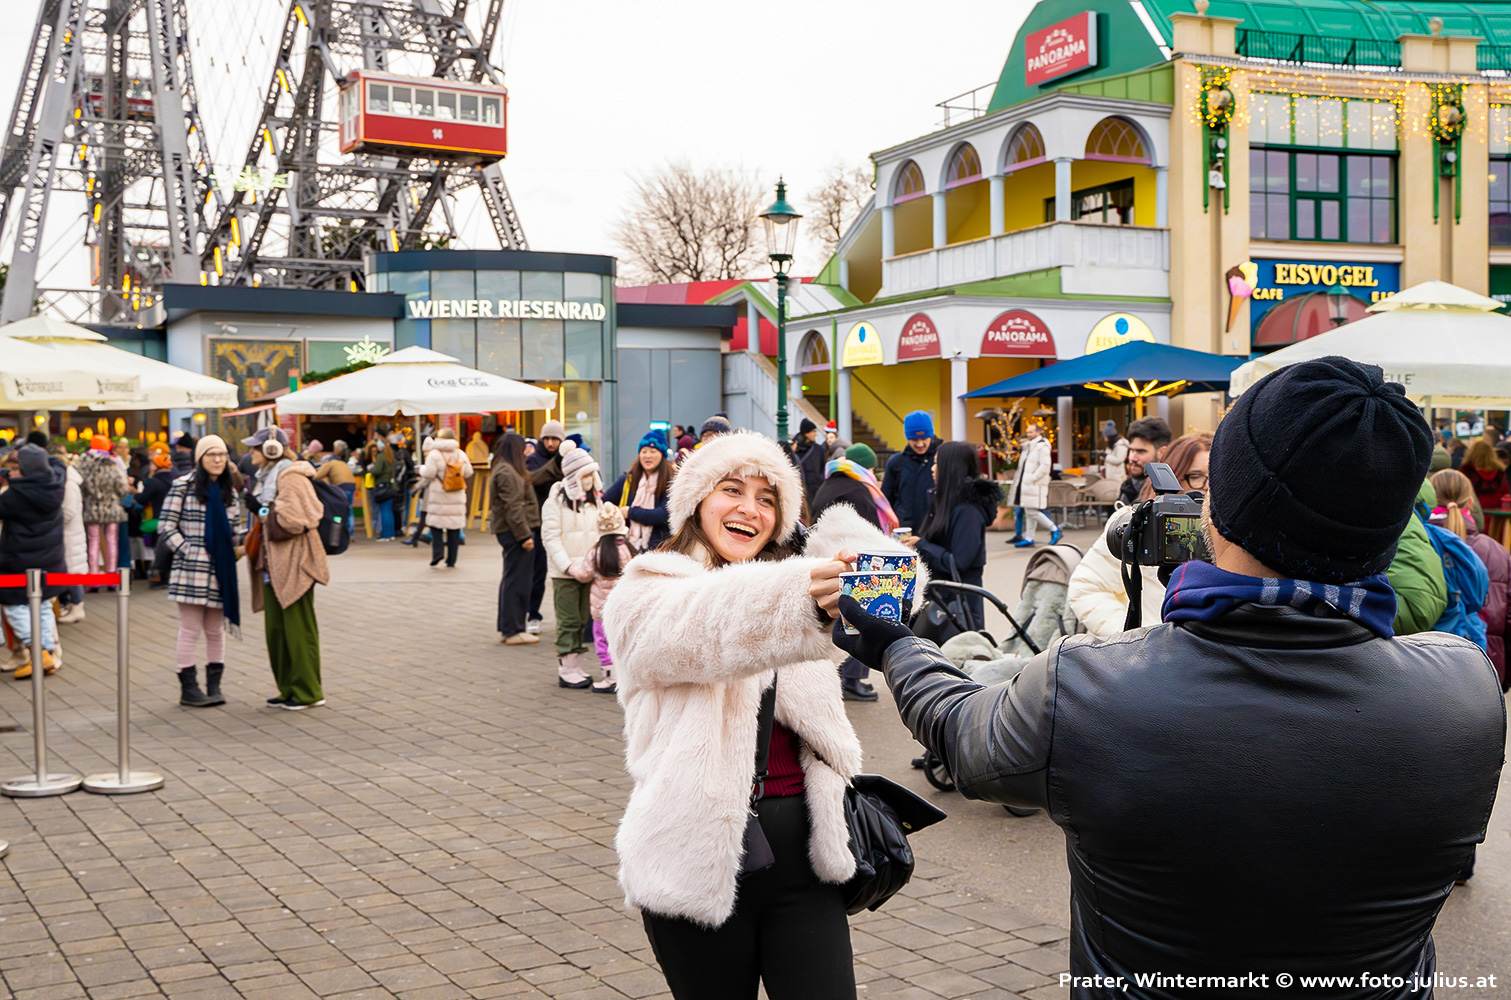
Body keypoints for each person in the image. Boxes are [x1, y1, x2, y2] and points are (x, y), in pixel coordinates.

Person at [828, 357, 1504, 998]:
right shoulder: (1465, 693)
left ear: (1217, 510)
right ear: (1387, 535)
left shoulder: (1089, 690)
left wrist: (900, 648)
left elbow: (960, 731)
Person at [604, 431, 897, 1000]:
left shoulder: (804, 583)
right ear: (694, 502)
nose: (749, 508)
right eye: (732, 489)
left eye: (768, 498)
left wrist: (851, 545)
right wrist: (806, 594)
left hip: (809, 857)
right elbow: (713, 624)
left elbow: (895, 602)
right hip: (693, 858)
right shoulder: (647, 590)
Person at [1067, 433, 1211, 640]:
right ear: (1174, 475)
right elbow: (1086, 587)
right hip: (1151, 657)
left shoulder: (1224, 530)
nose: (1207, 487)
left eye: (1214, 476)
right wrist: (1135, 638)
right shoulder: (1135, 525)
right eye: (1196, 476)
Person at [157, 435, 243, 708]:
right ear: (200, 458)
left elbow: (236, 530)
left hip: (221, 570)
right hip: (191, 569)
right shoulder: (182, 486)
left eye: (222, 454)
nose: (218, 460)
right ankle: (189, 688)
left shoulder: (231, 491)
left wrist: (239, 547)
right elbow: (166, 526)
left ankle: (214, 686)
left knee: (216, 630)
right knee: (191, 628)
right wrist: (188, 551)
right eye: (211, 455)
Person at [809, 442, 897, 701]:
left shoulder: (829, 484)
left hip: (825, 560)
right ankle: (852, 680)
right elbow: (868, 534)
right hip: (850, 564)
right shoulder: (858, 490)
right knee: (857, 618)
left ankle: (846, 679)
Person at [248, 434, 329, 710]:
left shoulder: (290, 477)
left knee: (297, 628)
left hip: (295, 562)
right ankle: (289, 688)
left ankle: (308, 691)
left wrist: (261, 510)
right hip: (273, 563)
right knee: (277, 629)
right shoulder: (269, 477)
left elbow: (295, 520)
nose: (250, 453)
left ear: (272, 450)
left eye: (255, 449)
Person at [906, 440, 1004, 629]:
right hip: (943, 600)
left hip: (958, 605)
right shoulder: (946, 501)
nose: (933, 469)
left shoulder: (969, 511)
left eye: (937, 463)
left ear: (950, 468)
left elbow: (959, 562)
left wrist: (922, 544)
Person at [1431, 468, 1511, 688]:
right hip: (1484, 666)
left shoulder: (1421, 545)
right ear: (1469, 503)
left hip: (1428, 663)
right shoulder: (1497, 551)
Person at [541, 440, 602, 688]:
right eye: (584, 474)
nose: (589, 478)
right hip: (565, 574)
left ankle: (576, 665)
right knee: (568, 621)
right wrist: (568, 567)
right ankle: (567, 668)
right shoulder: (555, 501)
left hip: (590, 572)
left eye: (591, 473)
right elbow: (550, 537)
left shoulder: (594, 502)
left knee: (583, 620)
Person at [0, 445, 66, 677]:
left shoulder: (16, 495)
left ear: (27, 471)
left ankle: (38, 652)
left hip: (19, 560)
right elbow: (59, 465)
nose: (11, 474)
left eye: (16, 469)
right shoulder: (55, 485)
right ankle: (47, 653)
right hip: (50, 559)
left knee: (15, 607)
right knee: (43, 605)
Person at [567, 503, 633, 695]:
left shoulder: (596, 552)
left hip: (600, 611)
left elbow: (584, 574)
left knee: (603, 643)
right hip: (622, 609)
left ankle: (610, 677)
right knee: (622, 643)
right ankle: (624, 678)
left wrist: (571, 567)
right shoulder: (627, 550)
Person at [489, 433, 540, 645]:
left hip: (513, 531)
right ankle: (513, 629)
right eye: (523, 449)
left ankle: (509, 627)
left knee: (512, 579)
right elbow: (513, 506)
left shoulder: (504, 468)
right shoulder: (507, 472)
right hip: (515, 533)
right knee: (517, 581)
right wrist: (524, 536)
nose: (526, 452)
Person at [525, 419, 566, 633]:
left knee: (566, 572)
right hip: (540, 525)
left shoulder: (568, 460)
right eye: (547, 438)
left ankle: (568, 618)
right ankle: (533, 614)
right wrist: (557, 462)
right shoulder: (532, 460)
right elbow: (534, 479)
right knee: (537, 572)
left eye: (555, 439)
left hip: (565, 525)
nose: (551, 443)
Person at [606, 431, 674, 552]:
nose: (648, 456)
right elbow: (604, 503)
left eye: (653, 452)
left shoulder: (671, 482)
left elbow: (663, 515)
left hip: (660, 550)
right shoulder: (627, 481)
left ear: (662, 455)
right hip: (627, 548)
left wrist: (631, 512)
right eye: (644, 452)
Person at [415, 428, 473, 568]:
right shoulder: (460, 453)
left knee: (436, 525)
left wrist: (420, 469)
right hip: (457, 494)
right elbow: (469, 472)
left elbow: (429, 473)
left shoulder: (434, 454)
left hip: (439, 494)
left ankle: (438, 552)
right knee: (454, 528)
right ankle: (452, 559)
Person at [77, 434, 130, 575]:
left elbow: (79, 486)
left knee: (93, 540)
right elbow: (123, 487)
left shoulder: (83, 463)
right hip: (111, 507)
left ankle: (93, 576)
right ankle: (111, 573)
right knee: (111, 539)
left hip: (91, 507)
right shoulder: (112, 463)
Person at [881, 410, 938, 533]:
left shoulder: (941, 458)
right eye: (914, 440)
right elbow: (886, 500)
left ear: (931, 436)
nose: (920, 444)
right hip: (905, 529)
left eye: (924, 438)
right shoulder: (896, 462)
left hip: (934, 528)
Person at [49, 444, 88, 624]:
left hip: (69, 533)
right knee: (69, 570)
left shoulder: (70, 482)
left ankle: (77, 605)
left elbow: (69, 510)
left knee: (72, 570)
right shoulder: (66, 480)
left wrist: (54, 522)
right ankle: (72, 604)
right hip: (66, 532)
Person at [1008, 424, 1059, 548]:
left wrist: (1032, 478)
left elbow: (1045, 466)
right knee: (1029, 510)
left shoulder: (1042, 446)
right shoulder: (1029, 447)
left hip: (1034, 485)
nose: (1028, 434)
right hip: (1027, 485)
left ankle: (1054, 529)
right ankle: (1029, 538)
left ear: (1038, 432)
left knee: (1032, 511)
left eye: (1031, 432)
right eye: (1028, 431)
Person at [1118, 416, 1172, 507]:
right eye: (1131, 450)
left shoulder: (1172, 492)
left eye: (1141, 451)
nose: (1132, 458)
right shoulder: (1127, 488)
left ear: (1162, 452)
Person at [1460, 438, 1509, 512]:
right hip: (1497, 513)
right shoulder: (1500, 473)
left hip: (1473, 511)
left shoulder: (1467, 471)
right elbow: (1505, 494)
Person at [364, 438, 397, 540]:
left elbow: (377, 471)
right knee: (389, 511)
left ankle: (385, 535)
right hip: (390, 486)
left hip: (382, 486)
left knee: (384, 511)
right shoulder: (390, 456)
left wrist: (371, 469)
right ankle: (391, 534)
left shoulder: (381, 457)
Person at [313, 439, 356, 505]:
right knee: (349, 509)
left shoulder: (329, 462)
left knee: (341, 509)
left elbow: (317, 476)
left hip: (342, 487)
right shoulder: (342, 462)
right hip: (352, 486)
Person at [1100, 420, 1129, 484]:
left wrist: (1106, 456)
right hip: (1110, 475)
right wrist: (1102, 455)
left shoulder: (1121, 445)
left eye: (1106, 437)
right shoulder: (1110, 445)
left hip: (1117, 476)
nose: (1105, 439)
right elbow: (1108, 457)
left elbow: (1119, 460)